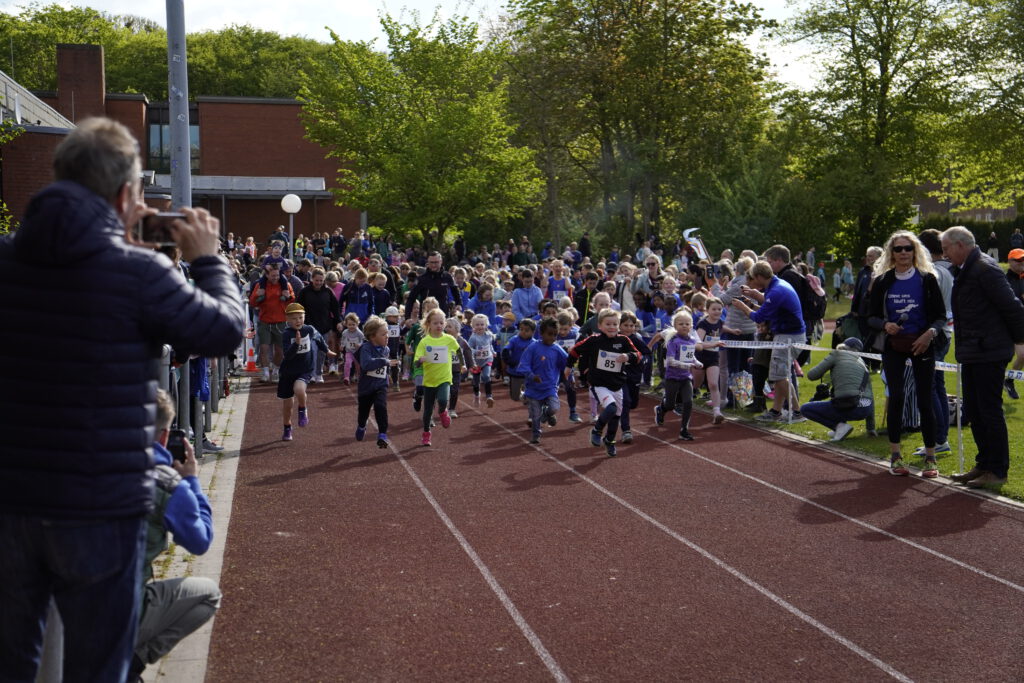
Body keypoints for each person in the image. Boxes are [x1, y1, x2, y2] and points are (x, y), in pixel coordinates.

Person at [0, 117, 244, 682]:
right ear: (126, 194)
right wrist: (208, 258)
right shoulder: (138, 272)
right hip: (100, 503)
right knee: (98, 667)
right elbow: (223, 330)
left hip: (11, 500)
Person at [130, 390, 219, 680]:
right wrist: (191, 482)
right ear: (165, 436)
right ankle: (132, 662)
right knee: (208, 595)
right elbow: (200, 541)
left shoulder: (86, 464)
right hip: (123, 605)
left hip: (60, 597)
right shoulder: (168, 484)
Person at [942, 226, 1024, 488]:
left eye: (946, 248)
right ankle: (984, 463)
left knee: (989, 410)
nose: (944, 254)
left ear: (960, 245)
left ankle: (997, 470)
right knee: (974, 410)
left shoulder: (985, 269)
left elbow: (1012, 307)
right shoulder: (967, 269)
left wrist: (1020, 342)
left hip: (989, 351)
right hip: (973, 350)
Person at [867, 231, 947, 477]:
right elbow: (869, 317)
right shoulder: (882, 281)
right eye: (898, 249)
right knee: (897, 396)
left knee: (925, 398)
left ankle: (931, 458)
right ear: (891, 253)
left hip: (922, 344)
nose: (903, 253)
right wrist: (885, 325)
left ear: (915, 251)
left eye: (908, 248)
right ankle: (895, 456)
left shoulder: (927, 279)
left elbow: (940, 316)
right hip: (894, 345)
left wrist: (929, 334)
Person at [730, 261, 807, 423]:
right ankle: (776, 411)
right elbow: (769, 309)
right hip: (787, 335)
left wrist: (743, 306)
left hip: (788, 337)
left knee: (779, 375)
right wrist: (753, 299)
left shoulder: (776, 291)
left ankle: (797, 412)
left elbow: (759, 317)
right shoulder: (777, 285)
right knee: (778, 375)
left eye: (752, 278)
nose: (751, 281)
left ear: (759, 276)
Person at [567, 309, 642, 457]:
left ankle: (610, 440)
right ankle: (597, 430)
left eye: (614, 324)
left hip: (617, 384)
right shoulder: (594, 340)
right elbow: (575, 350)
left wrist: (627, 356)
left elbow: (637, 355)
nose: (611, 327)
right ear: (600, 326)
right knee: (611, 408)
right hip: (599, 384)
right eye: (608, 324)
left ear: (618, 325)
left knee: (616, 415)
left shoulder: (623, 340)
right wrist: (568, 367)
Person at [800, 338, 875, 441]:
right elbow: (871, 397)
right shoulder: (863, 365)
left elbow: (811, 375)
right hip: (865, 409)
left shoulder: (837, 354)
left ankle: (838, 427)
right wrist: (871, 428)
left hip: (848, 406)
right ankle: (840, 427)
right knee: (840, 399)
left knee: (805, 409)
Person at [279, 303, 333, 441]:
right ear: (287, 319)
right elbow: (287, 355)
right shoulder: (286, 334)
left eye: (300, 317)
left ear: (304, 317)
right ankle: (287, 427)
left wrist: (327, 350)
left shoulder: (309, 329)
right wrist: (296, 344)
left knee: (299, 389)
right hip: (288, 371)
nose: (298, 321)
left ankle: (302, 409)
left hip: (304, 369)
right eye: (294, 318)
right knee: (287, 405)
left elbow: (319, 338)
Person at [517, 318, 569, 444]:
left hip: (550, 387)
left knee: (554, 408)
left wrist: (570, 376)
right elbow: (524, 364)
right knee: (535, 414)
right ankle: (536, 434)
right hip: (533, 388)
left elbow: (567, 364)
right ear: (541, 333)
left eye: (555, 335)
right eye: (550, 334)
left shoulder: (557, 349)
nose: (553, 338)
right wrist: (532, 376)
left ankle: (547, 413)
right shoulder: (533, 347)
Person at [414, 308, 461, 446]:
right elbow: (416, 362)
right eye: (435, 323)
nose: (439, 325)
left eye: (441, 323)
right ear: (429, 324)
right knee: (428, 410)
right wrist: (420, 360)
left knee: (443, 399)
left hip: (444, 378)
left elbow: (459, 351)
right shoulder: (424, 342)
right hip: (429, 381)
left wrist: (463, 365)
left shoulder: (449, 339)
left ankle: (443, 411)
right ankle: (426, 434)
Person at [654, 311, 702, 440]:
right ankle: (661, 409)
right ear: (675, 326)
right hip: (673, 377)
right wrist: (686, 365)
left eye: (687, 324)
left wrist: (697, 362)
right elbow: (670, 361)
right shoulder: (673, 341)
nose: (684, 326)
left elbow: (691, 357)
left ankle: (684, 430)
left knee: (688, 402)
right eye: (681, 324)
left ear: (691, 326)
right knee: (670, 405)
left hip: (686, 378)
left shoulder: (692, 340)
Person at [355, 316, 400, 448]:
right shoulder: (366, 348)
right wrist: (384, 362)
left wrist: (388, 374)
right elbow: (366, 364)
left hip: (381, 385)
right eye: (384, 334)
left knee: (381, 406)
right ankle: (362, 425)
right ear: (373, 336)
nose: (387, 336)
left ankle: (382, 434)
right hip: (366, 387)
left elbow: (385, 366)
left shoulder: (386, 349)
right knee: (363, 413)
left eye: (388, 333)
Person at [249, 262, 296, 382]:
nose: (275, 278)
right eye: (273, 275)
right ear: (267, 275)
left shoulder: (285, 285)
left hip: (280, 322)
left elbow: (292, 301)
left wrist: (289, 296)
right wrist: (257, 296)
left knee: (280, 351)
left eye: (277, 275)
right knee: (264, 348)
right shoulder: (260, 285)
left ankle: (275, 370)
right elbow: (252, 303)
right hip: (265, 321)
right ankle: (265, 373)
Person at [296, 267, 342, 383]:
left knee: (322, 352)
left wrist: (338, 321)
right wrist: (298, 323)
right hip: (309, 327)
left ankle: (318, 373)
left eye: (321, 280)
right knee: (312, 350)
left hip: (324, 327)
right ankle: (311, 374)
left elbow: (335, 308)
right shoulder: (305, 292)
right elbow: (298, 307)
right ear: (312, 279)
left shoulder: (328, 291)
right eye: (317, 280)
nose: (319, 283)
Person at [404, 251, 460, 320]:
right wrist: (407, 318)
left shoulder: (447, 276)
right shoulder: (422, 279)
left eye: (436, 262)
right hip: (426, 317)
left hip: (443, 315)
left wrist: (458, 304)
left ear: (441, 262)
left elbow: (455, 290)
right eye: (431, 262)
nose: (433, 265)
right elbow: (411, 298)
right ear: (428, 262)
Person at [502, 318, 538, 402]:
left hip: (529, 372)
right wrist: (509, 361)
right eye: (521, 329)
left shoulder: (534, 343)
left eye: (527, 330)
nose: (523, 332)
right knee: (515, 397)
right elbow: (506, 350)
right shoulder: (514, 339)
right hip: (515, 371)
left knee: (529, 394)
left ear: (533, 332)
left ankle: (529, 401)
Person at [466, 313, 497, 407]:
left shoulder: (489, 335)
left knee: (486, 376)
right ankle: (476, 395)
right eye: (477, 325)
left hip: (487, 359)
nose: (480, 326)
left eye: (482, 324)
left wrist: (493, 351)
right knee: (476, 382)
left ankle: (489, 396)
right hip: (476, 363)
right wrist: (476, 351)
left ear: (486, 325)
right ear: (473, 326)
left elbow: (489, 345)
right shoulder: (473, 337)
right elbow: (469, 349)